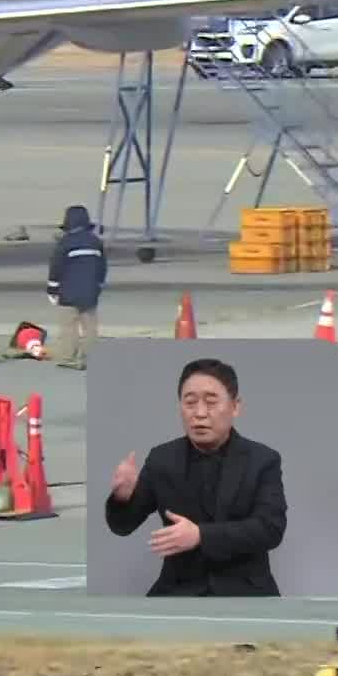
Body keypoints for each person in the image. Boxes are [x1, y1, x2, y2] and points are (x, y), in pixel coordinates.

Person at [104, 358, 286, 597]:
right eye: (190, 402)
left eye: (211, 402)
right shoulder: (162, 459)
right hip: (178, 590)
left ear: (235, 406)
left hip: (245, 592)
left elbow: (270, 529)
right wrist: (122, 498)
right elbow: (123, 526)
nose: (200, 413)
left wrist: (201, 536)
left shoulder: (262, 460)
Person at [48, 203, 108, 371]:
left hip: (68, 293)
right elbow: (102, 267)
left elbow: (56, 268)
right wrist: (99, 286)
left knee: (68, 326)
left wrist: (52, 289)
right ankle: (90, 357)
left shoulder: (65, 244)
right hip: (90, 292)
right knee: (90, 326)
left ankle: (68, 356)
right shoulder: (96, 243)